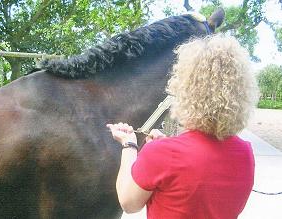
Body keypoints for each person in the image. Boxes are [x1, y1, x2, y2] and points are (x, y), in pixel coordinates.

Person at [106, 34, 258, 219]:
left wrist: (129, 145)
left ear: (185, 89)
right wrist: (168, 147)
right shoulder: (245, 153)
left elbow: (128, 203)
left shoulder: (162, 152)